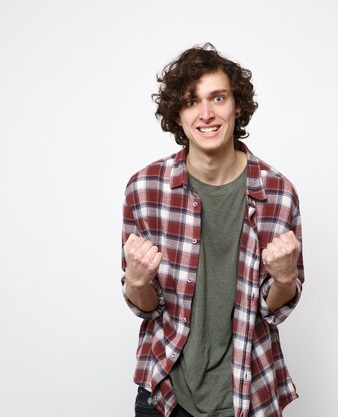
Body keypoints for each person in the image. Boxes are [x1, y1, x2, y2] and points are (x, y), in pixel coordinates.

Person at [121, 43, 304, 417]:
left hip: (248, 391)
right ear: (178, 115)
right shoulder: (145, 189)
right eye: (191, 102)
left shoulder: (278, 193)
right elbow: (148, 307)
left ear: (237, 107)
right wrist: (137, 283)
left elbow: (273, 308)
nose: (206, 114)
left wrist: (285, 279)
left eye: (217, 98)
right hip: (166, 393)